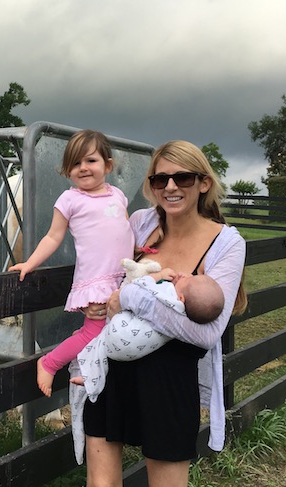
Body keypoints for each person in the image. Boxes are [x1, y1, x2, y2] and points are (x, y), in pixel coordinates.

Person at [74, 140, 247, 486]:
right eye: (159, 180)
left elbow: (206, 333)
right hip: (112, 369)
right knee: (100, 483)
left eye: (182, 178)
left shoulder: (226, 243)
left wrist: (132, 298)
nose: (170, 187)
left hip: (169, 380)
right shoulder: (140, 223)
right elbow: (102, 280)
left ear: (203, 183)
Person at [8, 130, 134, 397]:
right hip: (97, 280)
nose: (83, 168)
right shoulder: (70, 200)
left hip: (121, 277)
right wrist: (29, 263)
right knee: (94, 331)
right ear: (67, 172)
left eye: (90, 161)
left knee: (117, 331)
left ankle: (94, 375)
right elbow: (53, 237)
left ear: (107, 166)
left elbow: (125, 231)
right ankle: (50, 362)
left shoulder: (118, 195)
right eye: (75, 164)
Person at [72, 263, 225, 404]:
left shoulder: (168, 293)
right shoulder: (186, 318)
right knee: (102, 350)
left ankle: (87, 375)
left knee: (99, 342)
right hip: (134, 351)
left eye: (190, 279)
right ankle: (91, 380)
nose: (187, 275)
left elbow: (138, 287)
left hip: (121, 331)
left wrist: (159, 276)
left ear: (181, 298)